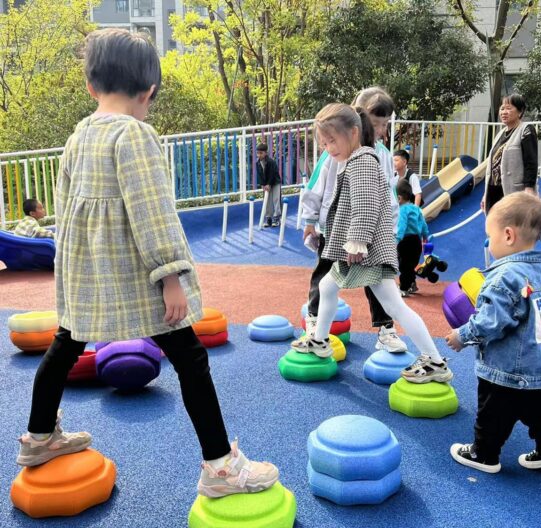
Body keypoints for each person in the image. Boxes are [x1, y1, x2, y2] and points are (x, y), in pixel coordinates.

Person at [15, 28, 279, 499]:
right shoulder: (135, 135)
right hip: (136, 276)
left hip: (88, 274)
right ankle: (220, 467)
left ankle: (38, 438)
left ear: (90, 86)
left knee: (65, 346)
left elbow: (66, 210)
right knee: (191, 360)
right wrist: (170, 275)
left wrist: (69, 274)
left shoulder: (79, 135)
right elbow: (152, 211)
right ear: (149, 91)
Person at [292, 103, 452, 385]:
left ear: (353, 133)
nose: (328, 148)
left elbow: (366, 206)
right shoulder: (353, 160)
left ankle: (434, 359)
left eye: (333, 141)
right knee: (329, 287)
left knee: (394, 306)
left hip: (367, 252)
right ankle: (319, 340)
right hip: (365, 250)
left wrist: (357, 241)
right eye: (324, 143)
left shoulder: (362, 161)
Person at [446, 192, 541, 473]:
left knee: (492, 413)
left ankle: (484, 454)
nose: (488, 244)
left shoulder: (504, 277)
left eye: (489, 237)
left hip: (508, 371)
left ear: (507, 235)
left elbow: (491, 322)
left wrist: (462, 335)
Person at [301, 86, 407, 353]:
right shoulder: (332, 151)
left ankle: (386, 329)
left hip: (367, 234)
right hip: (334, 229)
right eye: (376, 123)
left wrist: (391, 229)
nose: (381, 130)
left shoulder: (382, 154)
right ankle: (314, 324)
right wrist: (310, 220)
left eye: (384, 125)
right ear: (356, 123)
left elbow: (388, 195)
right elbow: (316, 186)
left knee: (377, 283)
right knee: (323, 276)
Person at [482, 94, 538, 214]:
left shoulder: (526, 130)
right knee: (495, 228)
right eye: (502, 109)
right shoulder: (500, 134)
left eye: (508, 108)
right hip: (494, 190)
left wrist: (529, 188)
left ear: (520, 111)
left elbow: (531, 162)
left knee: (513, 225)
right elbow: (492, 166)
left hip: (514, 190)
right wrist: (485, 194)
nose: (504, 112)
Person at [396, 179, 429, 297]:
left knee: (404, 265)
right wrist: (425, 236)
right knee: (411, 265)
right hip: (416, 241)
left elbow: (402, 226)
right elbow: (423, 224)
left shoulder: (402, 210)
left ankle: (404, 288)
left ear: (399, 198)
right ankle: (412, 284)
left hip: (405, 241)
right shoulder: (416, 209)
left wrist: (397, 239)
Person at [256, 142, 282, 227]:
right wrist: (263, 184)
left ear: (265, 153)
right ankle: (268, 218)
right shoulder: (258, 163)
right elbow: (260, 175)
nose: (259, 155)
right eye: (258, 153)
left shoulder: (271, 162)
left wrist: (269, 184)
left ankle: (277, 218)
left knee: (276, 199)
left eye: (261, 153)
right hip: (266, 184)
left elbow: (272, 174)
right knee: (267, 201)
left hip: (275, 182)